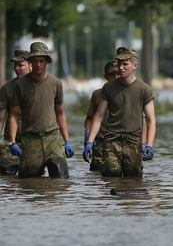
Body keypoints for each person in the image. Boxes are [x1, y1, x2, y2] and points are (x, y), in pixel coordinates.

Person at [83, 47, 156, 177]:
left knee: (134, 181)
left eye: (125, 64)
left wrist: (148, 145)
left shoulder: (144, 89)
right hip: (112, 141)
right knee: (110, 178)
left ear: (135, 65)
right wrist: (89, 141)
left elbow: (151, 120)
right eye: (119, 64)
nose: (121, 68)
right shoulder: (109, 88)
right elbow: (98, 116)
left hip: (133, 142)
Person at [7, 42, 73, 178]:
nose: (38, 65)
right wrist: (12, 142)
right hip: (30, 139)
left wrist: (67, 141)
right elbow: (13, 115)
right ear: (30, 62)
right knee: (28, 180)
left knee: (60, 175)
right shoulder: (20, 85)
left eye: (41, 61)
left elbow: (60, 114)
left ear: (47, 62)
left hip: (52, 138)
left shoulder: (56, 84)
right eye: (35, 61)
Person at [83, 60, 120, 172]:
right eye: (111, 75)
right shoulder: (98, 94)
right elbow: (90, 117)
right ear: (106, 76)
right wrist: (88, 136)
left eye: (117, 74)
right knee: (97, 174)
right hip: (100, 141)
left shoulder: (125, 93)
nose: (115, 77)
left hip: (119, 140)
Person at [0, 49, 31, 175]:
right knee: (6, 169)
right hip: (11, 140)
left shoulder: (39, 86)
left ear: (30, 65)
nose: (17, 68)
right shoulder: (7, 88)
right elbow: (0, 118)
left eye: (20, 65)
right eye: (15, 65)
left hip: (33, 139)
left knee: (32, 173)